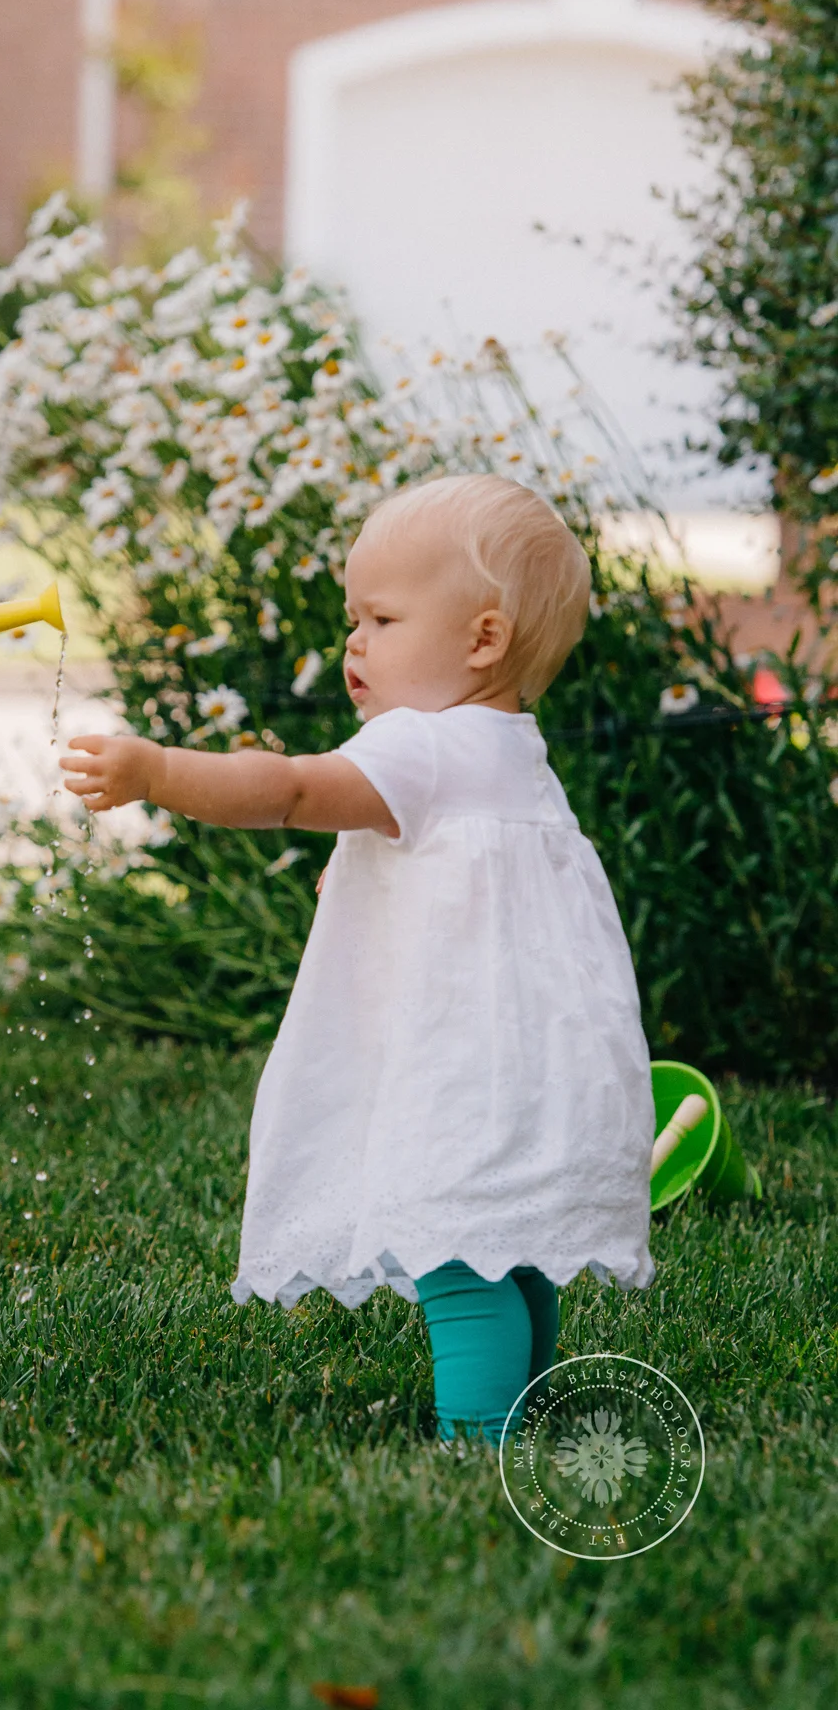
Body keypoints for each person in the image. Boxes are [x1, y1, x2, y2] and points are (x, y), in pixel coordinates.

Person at [63, 475, 654, 1447]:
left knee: (456, 1252)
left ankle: (477, 1437)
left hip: (456, 1069)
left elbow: (290, 786)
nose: (354, 642)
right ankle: (523, 1403)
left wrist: (158, 770)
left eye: (381, 616)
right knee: (509, 1246)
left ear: (483, 639)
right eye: (354, 617)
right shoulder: (508, 748)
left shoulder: (424, 746)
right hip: (526, 1059)